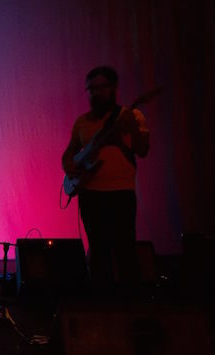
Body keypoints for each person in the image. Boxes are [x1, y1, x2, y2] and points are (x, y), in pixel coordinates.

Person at [61, 66, 149, 292]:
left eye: (101, 88)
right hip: (90, 193)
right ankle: (103, 301)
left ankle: (131, 303)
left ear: (113, 88)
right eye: (91, 89)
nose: (95, 93)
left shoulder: (130, 116)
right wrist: (69, 166)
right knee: (99, 252)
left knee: (125, 250)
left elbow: (143, 150)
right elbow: (70, 152)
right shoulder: (82, 122)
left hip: (121, 193)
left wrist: (130, 129)